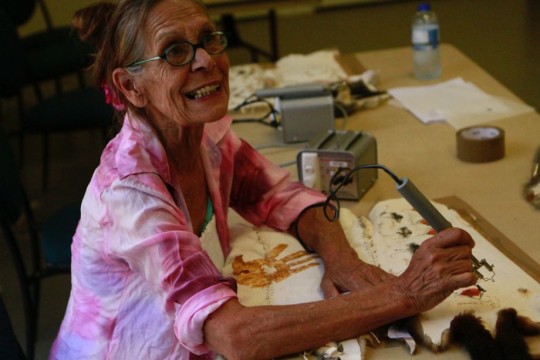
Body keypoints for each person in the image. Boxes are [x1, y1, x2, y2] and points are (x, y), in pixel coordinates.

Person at [50, 1, 477, 359]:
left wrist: (343, 261)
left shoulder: (207, 136)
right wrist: (404, 293)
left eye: (208, 39)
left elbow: (282, 196)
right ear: (131, 86)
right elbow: (233, 335)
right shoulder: (131, 193)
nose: (205, 61)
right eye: (175, 52)